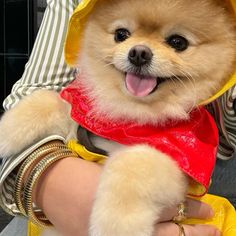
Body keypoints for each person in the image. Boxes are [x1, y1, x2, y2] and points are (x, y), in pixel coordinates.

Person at [0, 0, 235, 235]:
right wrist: (45, 177)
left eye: (177, 43)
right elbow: (32, 93)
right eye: (122, 35)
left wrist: (131, 183)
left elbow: (169, 171)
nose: (140, 51)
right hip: (42, 207)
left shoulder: (190, 131)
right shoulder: (81, 97)